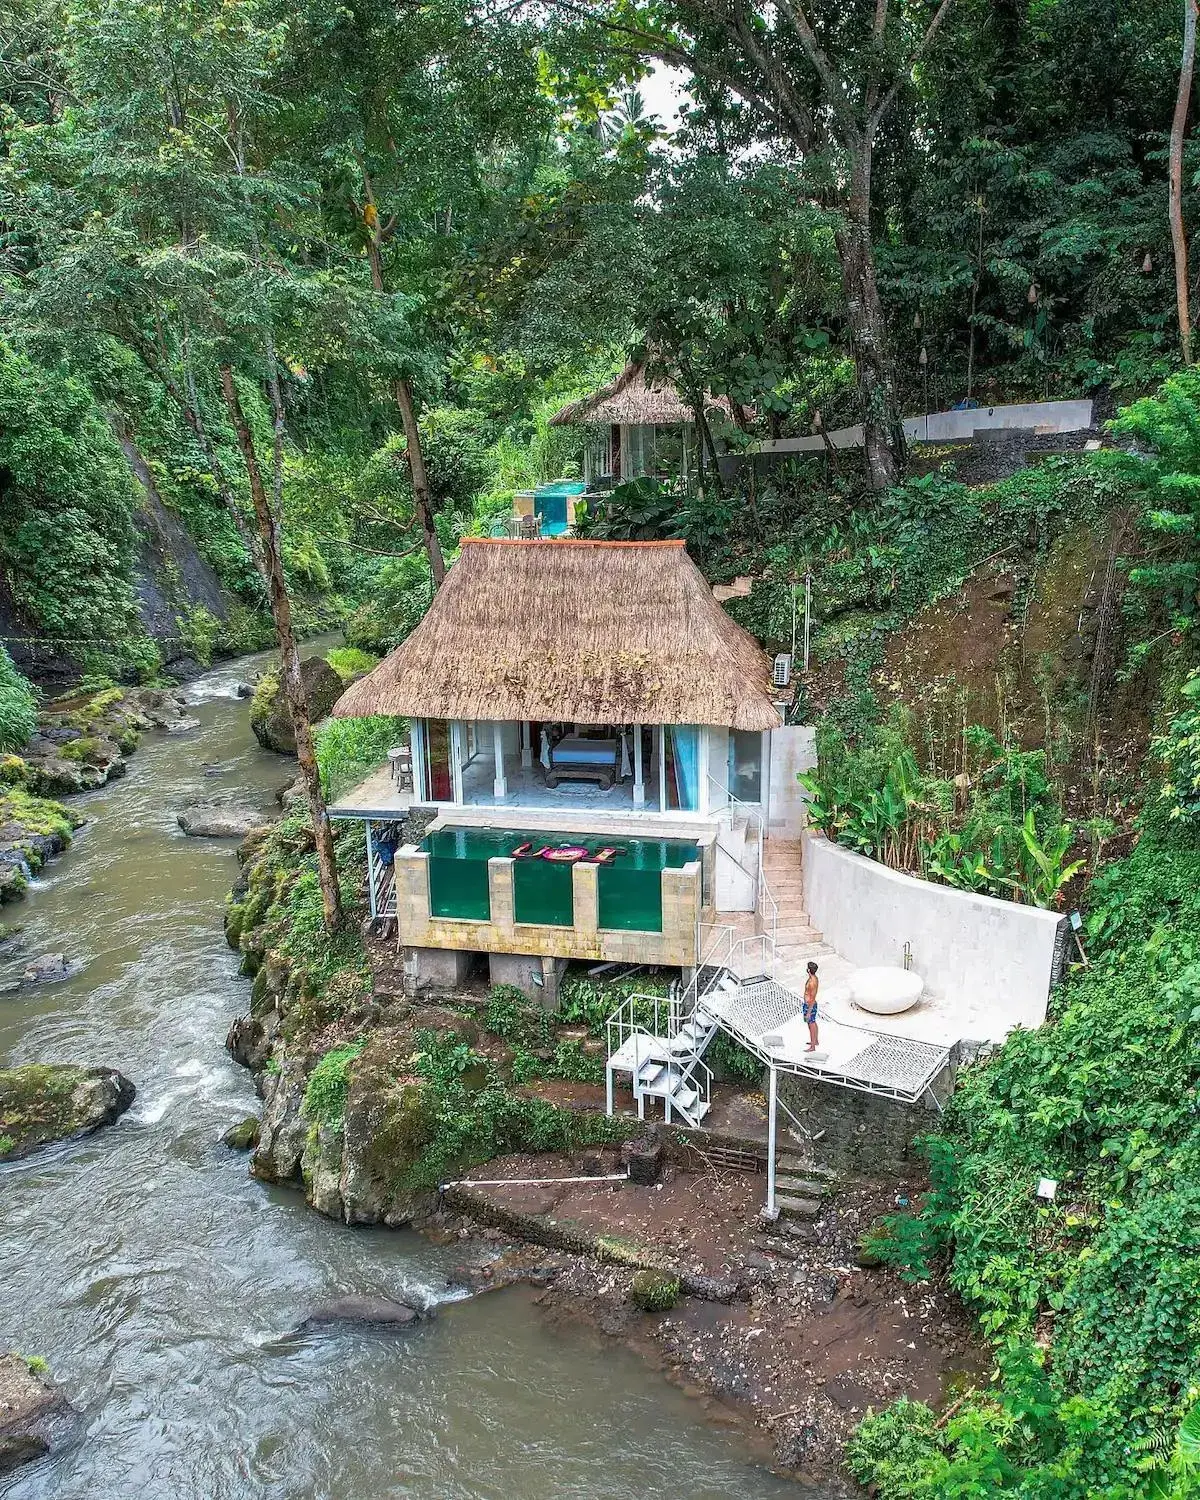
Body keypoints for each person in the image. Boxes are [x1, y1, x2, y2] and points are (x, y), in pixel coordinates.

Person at [802, 961, 819, 1052]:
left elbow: (812, 998)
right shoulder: (813, 978)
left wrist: (808, 1012)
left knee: (811, 1025)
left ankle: (812, 1046)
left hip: (809, 1005)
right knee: (812, 1023)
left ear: (808, 970)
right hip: (809, 1004)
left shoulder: (812, 982)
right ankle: (815, 1041)